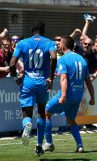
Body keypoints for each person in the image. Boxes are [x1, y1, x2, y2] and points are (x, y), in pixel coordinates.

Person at [9, 20, 57, 155]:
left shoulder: (22, 43)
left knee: (26, 113)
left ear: (32, 30)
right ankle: (38, 145)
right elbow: (54, 57)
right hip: (42, 82)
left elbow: (12, 64)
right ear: (43, 31)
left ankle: (27, 124)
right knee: (42, 112)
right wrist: (51, 77)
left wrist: (15, 78)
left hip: (27, 82)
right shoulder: (49, 42)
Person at [42, 36, 95, 155]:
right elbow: (88, 81)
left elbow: (63, 78)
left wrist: (63, 95)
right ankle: (80, 145)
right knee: (71, 120)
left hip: (68, 94)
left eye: (60, 43)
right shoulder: (82, 59)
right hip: (78, 95)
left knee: (46, 112)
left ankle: (49, 143)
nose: (58, 45)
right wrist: (93, 97)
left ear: (64, 45)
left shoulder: (63, 59)